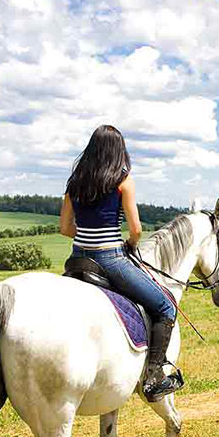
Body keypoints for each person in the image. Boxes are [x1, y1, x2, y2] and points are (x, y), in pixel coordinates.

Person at [59, 124, 182, 402]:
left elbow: (65, 228)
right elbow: (136, 229)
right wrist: (130, 245)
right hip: (110, 258)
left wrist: (87, 234)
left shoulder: (74, 182)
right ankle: (153, 377)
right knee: (165, 306)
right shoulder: (123, 181)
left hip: (77, 260)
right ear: (119, 151)